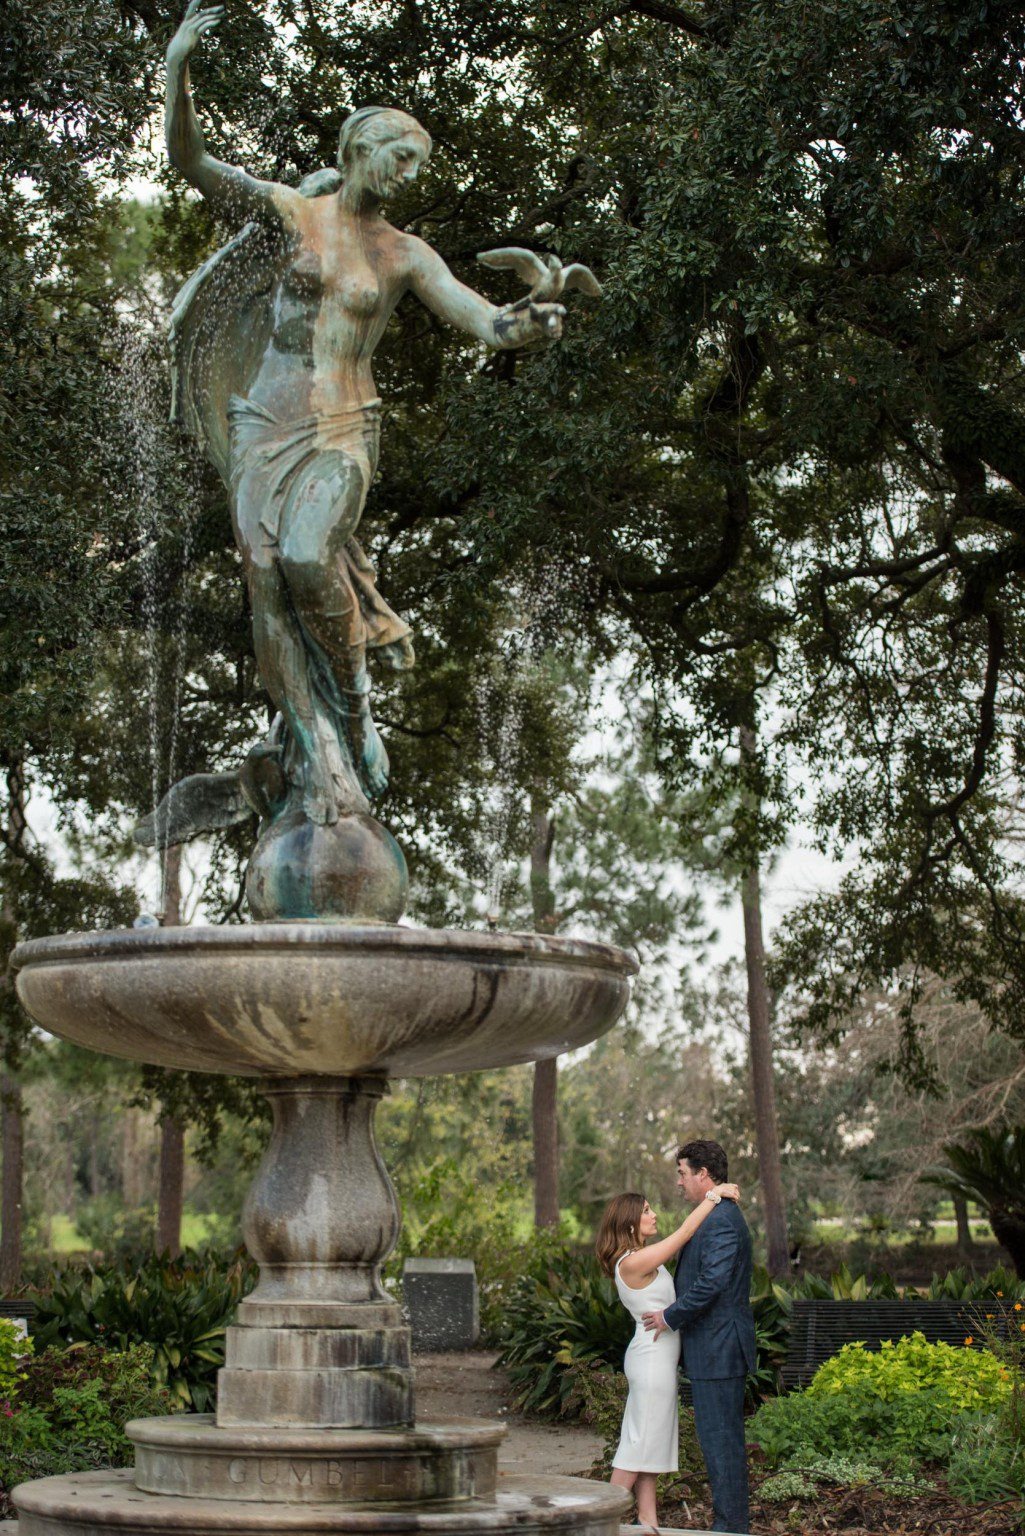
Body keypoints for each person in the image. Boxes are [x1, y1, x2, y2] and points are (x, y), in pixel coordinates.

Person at [163, 0, 567, 825]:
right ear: (358, 149)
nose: (407, 174)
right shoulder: (291, 212)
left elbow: (483, 319)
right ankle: (312, 749)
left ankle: (353, 707)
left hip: (344, 427)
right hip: (260, 425)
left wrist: (528, 322)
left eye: (416, 165)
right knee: (267, 585)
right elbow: (192, 160)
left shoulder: (404, 253)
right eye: (399, 156)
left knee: (310, 556)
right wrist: (177, 70)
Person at [595, 1179, 742, 1531]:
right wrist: (713, 1195)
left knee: (648, 1448)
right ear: (630, 1221)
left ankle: (649, 1524)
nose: (653, 1214)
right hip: (650, 1364)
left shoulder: (640, 1259)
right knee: (637, 1448)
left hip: (656, 1361)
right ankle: (597, 1523)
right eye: (646, 1210)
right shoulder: (632, 1262)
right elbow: (683, 1235)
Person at [641, 1140, 757, 1535]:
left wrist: (668, 1317)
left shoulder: (723, 1219)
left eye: (682, 1173)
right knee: (718, 1442)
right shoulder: (713, 1212)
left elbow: (713, 1283)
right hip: (713, 1349)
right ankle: (728, 1524)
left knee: (722, 1443)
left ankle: (731, 1528)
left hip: (721, 1349)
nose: (678, 1182)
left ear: (703, 1174)